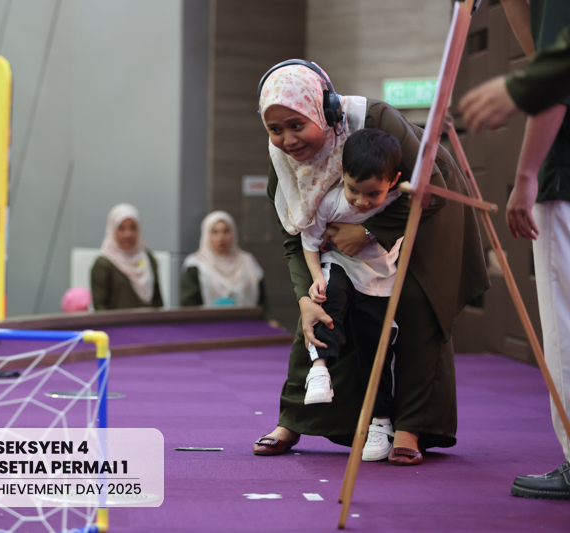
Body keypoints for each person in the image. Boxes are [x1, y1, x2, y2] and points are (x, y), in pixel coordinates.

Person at [251, 60, 489, 466]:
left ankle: (410, 427)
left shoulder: (375, 119)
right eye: (275, 129)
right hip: (339, 235)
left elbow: (432, 188)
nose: (287, 139)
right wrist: (304, 297)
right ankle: (294, 420)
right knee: (322, 307)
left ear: (324, 110)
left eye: (297, 124)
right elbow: (295, 237)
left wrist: (368, 232)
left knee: (414, 308)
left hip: (422, 213)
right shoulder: (282, 163)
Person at [459, 1, 570, 500]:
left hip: (563, 177)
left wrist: (525, 177)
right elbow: (542, 53)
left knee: (563, 328)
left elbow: (554, 78)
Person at [301, 129, 402, 461]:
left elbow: (427, 202)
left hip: (380, 280)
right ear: (342, 174)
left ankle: (381, 421)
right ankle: (319, 368)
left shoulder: (400, 200)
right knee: (328, 297)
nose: (361, 201)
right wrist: (316, 277)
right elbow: (309, 242)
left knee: (376, 351)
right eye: (353, 189)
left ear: (393, 182)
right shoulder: (330, 201)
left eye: (373, 194)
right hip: (340, 262)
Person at [180, 211, 277, 325]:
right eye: (215, 232)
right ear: (206, 234)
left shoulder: (247, 262)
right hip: (207, 327)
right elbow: (189, 306)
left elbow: (262, 301)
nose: (221, 237)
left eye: (226, 231)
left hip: (247, 325)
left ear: (233, 233)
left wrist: (270, 320)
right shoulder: (196, 265)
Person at [91, 204, 163, 310]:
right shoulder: (103, 264)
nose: (127, 234)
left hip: (148, 321)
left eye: (132, 228)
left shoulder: (148, 259)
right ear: (112, 230)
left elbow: (158, 302)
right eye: (121, 228)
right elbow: (100, 307)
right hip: (117, 321)